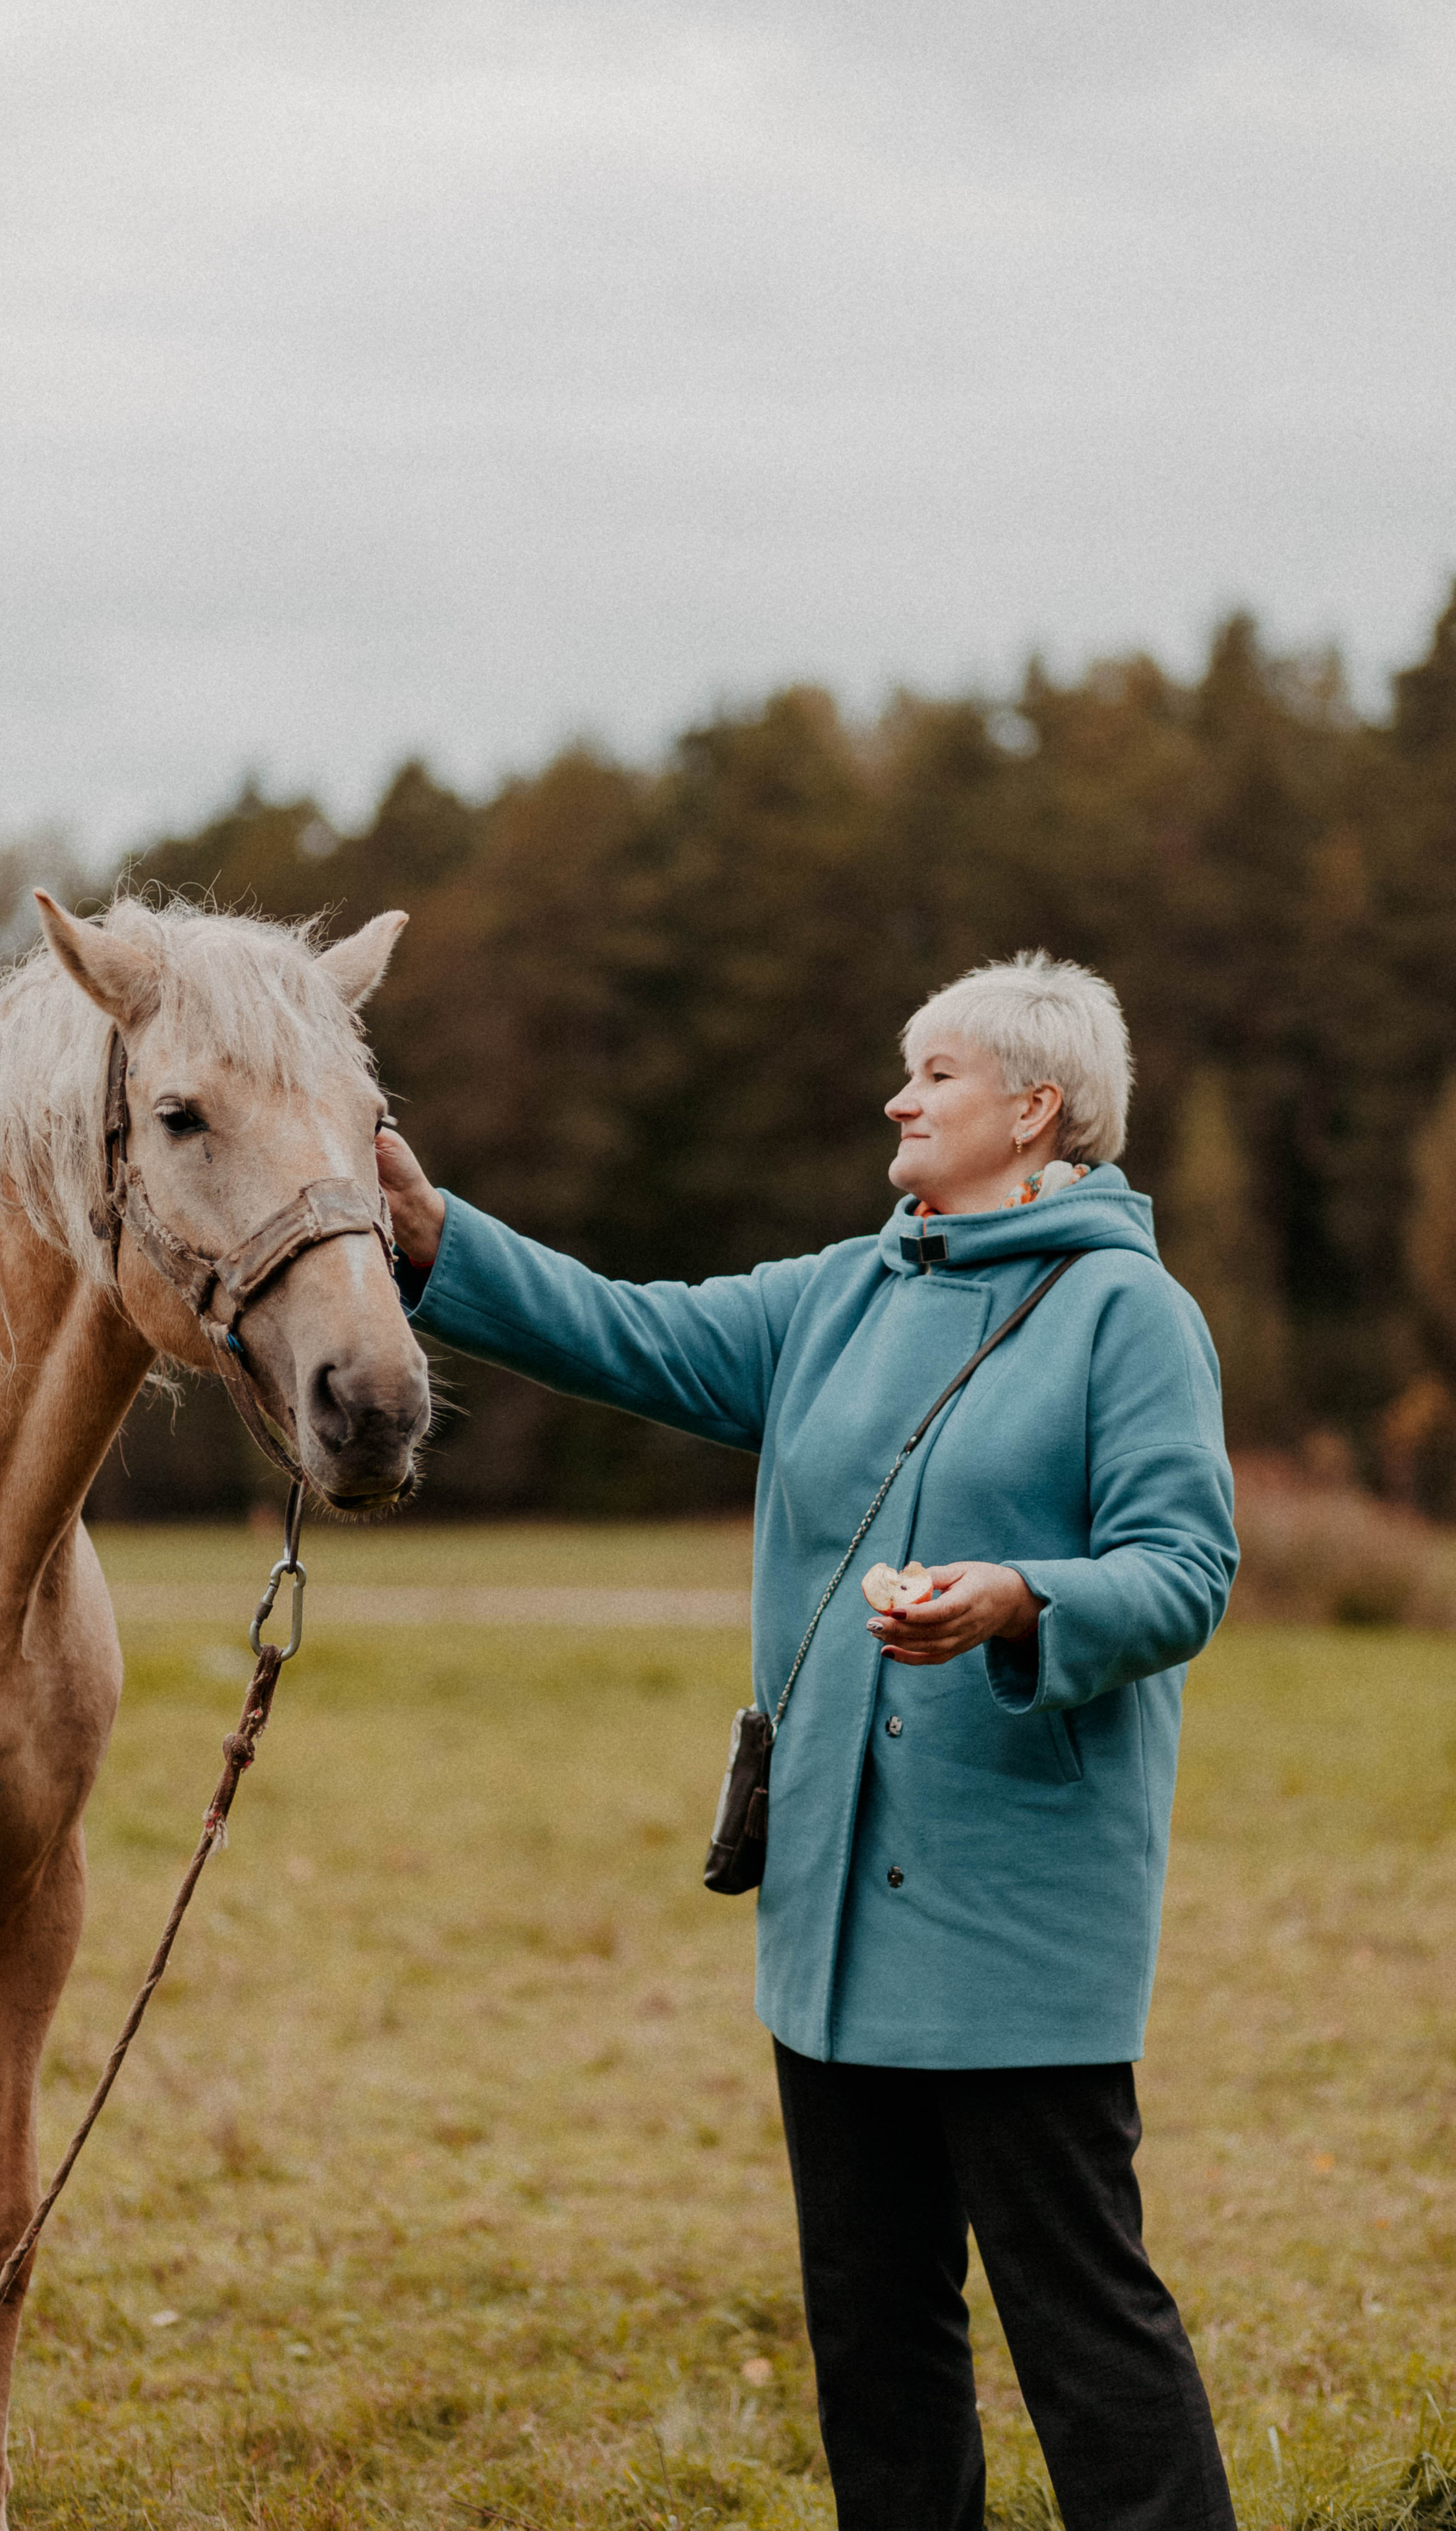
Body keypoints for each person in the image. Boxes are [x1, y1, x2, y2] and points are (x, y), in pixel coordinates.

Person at [376, 950, 1238, 2531]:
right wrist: (433, 1236)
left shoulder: (1131, 1314)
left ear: (1034, 1107)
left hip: (1016, 1925)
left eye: (935, 1075)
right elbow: (620, 1331)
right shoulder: (837, 1291)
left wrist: (1016, 1599)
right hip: (826, 1927)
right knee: (869, 2330)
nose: (896, 1099)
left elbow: (1183, 1572)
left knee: (1081, 2326)